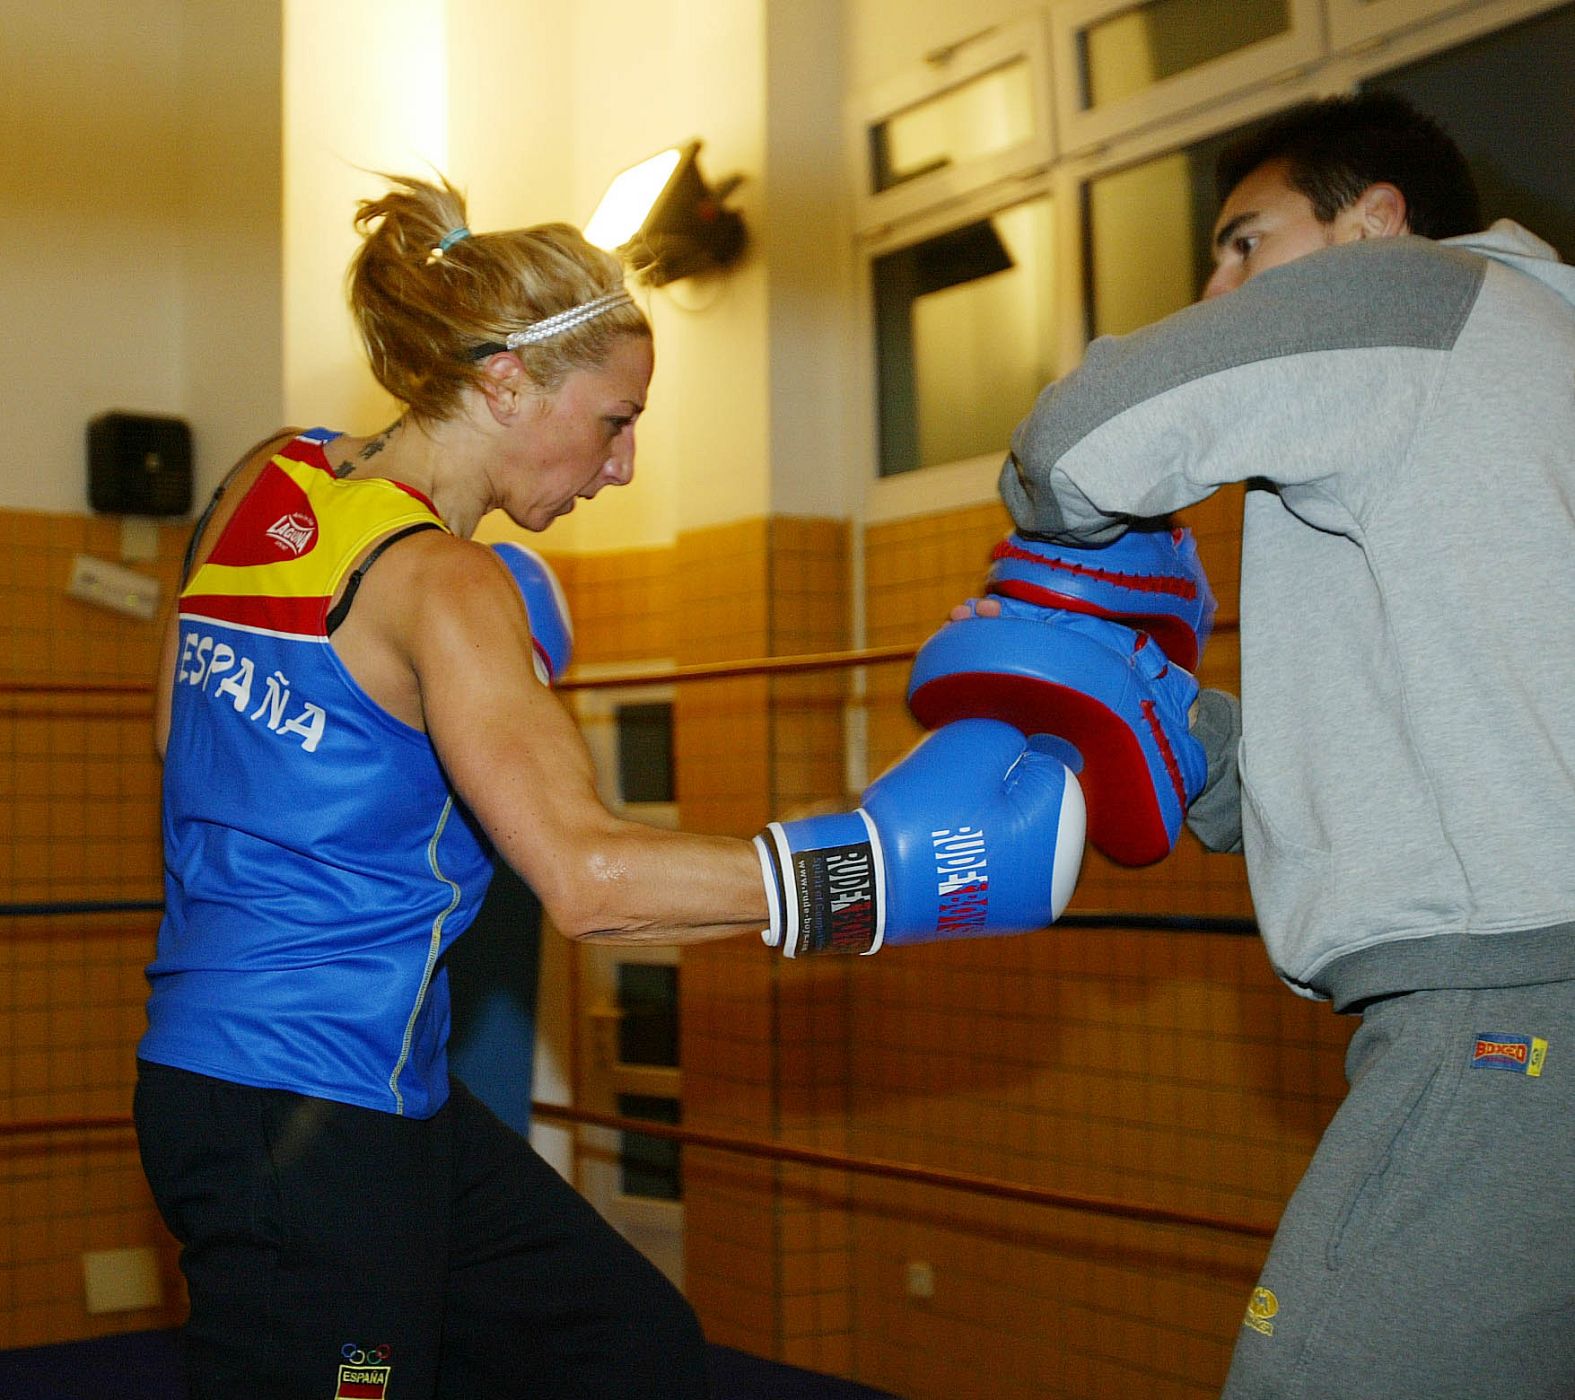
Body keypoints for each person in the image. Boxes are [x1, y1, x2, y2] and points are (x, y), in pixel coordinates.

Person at [133, 174, 1084, 1400]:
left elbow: (176, 729)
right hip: (302, 1115)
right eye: (616, 420)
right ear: (504, 382)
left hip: (324, 1081)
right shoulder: (451, 584)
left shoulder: (271, 474)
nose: (624, 466)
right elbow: (587, 883)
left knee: (613, 1344)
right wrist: (880, 871)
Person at [992, 92, 1575, 1398]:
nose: (1216, 283)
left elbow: (1083, 436)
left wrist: (1048, 549)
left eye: (1244, 243)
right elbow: (1410, 750)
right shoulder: (1520, 359)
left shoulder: (1408, 295)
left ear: (1369, 221)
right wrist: (1136, 703)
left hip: (1510, 1003)